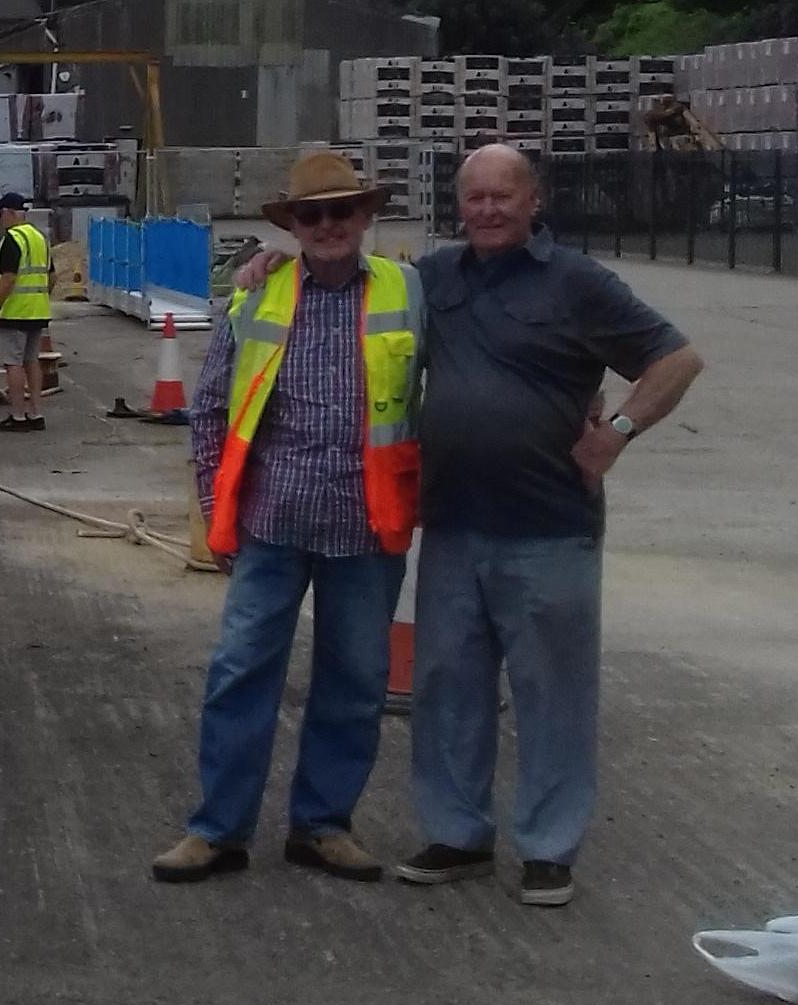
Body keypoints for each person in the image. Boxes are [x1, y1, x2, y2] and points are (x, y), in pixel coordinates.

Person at [393, 143, 703, 908]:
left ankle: (548, 847)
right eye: (476, 198)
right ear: (457, 205)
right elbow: (347, 298)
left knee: (552, 692)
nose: (489, 210)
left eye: (505, 196)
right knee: (447, 687)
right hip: (454, 525)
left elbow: (677, 359)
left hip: (549, 528)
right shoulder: (432, 279)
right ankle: (457, 834)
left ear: (534, 202)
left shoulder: (578, 283)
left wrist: (618, 431)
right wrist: (265, 270)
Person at [152, 153, 421, 885]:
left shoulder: (409, 291)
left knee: (356, 680)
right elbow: (209, 412)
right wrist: (217, 514)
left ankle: (323, 825)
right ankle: (217, 829)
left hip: (367, 529)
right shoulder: (256, 296)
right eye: (313, 215)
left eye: (342, 211)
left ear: (367, 216)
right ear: (293, 225)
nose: (328, 225)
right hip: (271, 526)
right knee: (240, 674)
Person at [0, 193, 51, 433]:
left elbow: (8, 277)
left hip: (15, 311)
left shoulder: (12, 239)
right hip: (38, 311)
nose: (0, 221)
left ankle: (18, 416)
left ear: (8, 213)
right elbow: (51, 275)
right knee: (32, 362)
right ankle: (36, 413)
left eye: (0, 215)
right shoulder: (39, 238)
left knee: (14, 363)